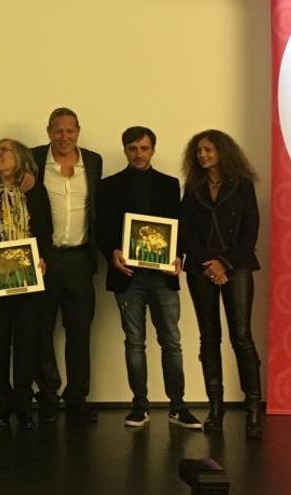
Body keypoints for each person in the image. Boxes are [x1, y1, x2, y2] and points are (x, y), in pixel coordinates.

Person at [95, 126, 201, 430]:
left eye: (144, 148)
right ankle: (139, 406)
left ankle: (177, 406)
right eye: (132, 148)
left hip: (162, 276)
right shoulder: (109, 186)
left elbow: (178, 226)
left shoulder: (169, 185)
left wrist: (178, 256)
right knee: (134, 342)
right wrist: (112, 252)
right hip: (127, 276)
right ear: (125, 150)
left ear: (152, 150)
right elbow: (102, 228)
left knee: (171, 341)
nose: (138, 154)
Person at [180, 129, 263, 438]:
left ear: (223, 152)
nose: (203, 155)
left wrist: (224, 263)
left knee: (241, 336)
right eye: (199, 150)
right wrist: (207, 263)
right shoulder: (193, 186)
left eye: (209, 150)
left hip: (237, 267)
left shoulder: (242, 185)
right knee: (208, 337)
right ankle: (215, 409)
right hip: (201, 268)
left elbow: (250, 230)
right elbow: (185, 229)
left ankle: (253, 411)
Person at [0, 139, 52, 430]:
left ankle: (23, 404)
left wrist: (43, 258)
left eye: (3, 151)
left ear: (20, 158)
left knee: (26, 341)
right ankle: (2, 405)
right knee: (0, 342)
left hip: (30, 276)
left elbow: (45, 228)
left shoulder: (34, 189)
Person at [32, 107, 102, 423]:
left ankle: (77, 397)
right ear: (48, 132)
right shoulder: (32, 159)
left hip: (80, 259)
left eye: (70, 130)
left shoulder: (94, 161)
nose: (64, 136)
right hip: (44, 260)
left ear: (78, 131)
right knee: (41, 331)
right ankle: (47, 395)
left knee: (79, 333)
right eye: (58, 130)